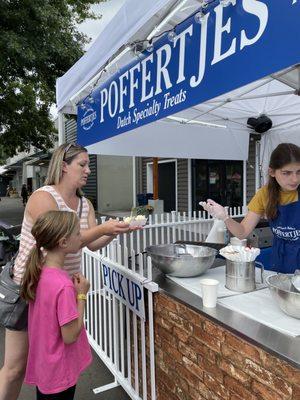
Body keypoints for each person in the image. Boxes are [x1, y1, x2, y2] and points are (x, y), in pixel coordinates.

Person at [0, 143, 131, 400]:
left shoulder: (85, 204)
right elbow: (62, 237)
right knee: (15, 367)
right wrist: (103, 229)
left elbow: (91, 242)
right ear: (63, 166)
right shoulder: (43, 197)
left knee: (55, 360)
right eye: (82, 164)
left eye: (89, 165)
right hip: (29, 289)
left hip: (60, 290)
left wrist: (114, 232)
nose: (88, 170)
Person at [21, 210, 91, 399]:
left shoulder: (39, 272)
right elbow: (70, 336)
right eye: (77, 233)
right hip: (60, 371)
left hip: (45, 365)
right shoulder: (63, 285)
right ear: (63, 242)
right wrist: (82, 296)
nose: (80, 237)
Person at [201, 143, 300, 273]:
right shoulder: (264, 195)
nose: (295, 179)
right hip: (280, 258)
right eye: (286, 173)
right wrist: (225, 217)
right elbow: (242, 232)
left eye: (299, 172)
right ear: (272, 172)